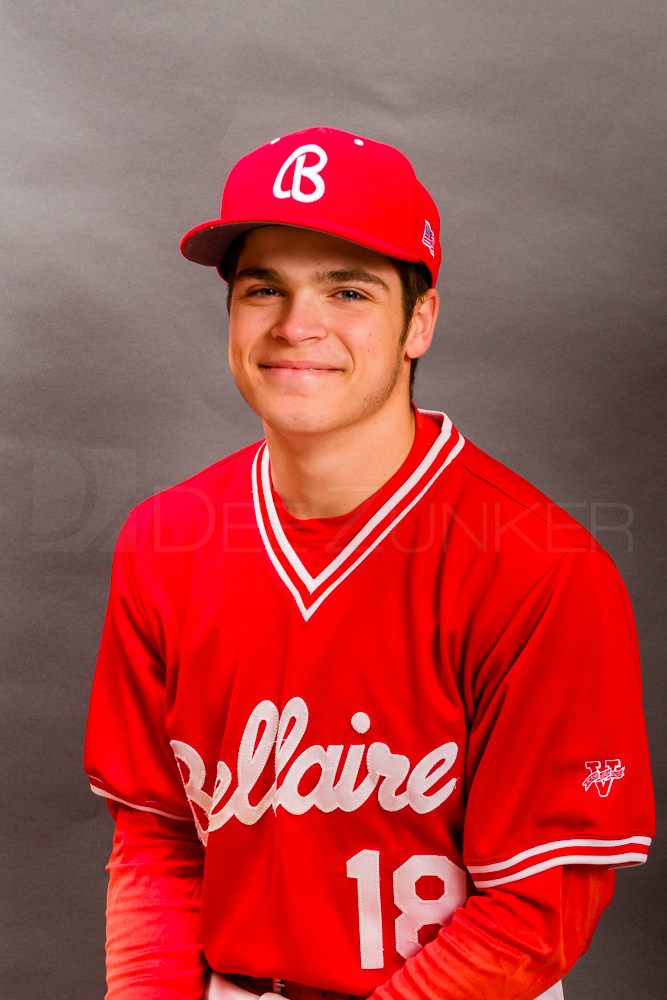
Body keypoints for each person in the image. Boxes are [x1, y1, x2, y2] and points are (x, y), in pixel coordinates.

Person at [84, 126, 655, 1000]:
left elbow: (537, 909)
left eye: (347, 290)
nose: (296, 326)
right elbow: (158, 843)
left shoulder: (541, 568)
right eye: (262, 288)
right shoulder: (165, 538)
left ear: (418, 320)